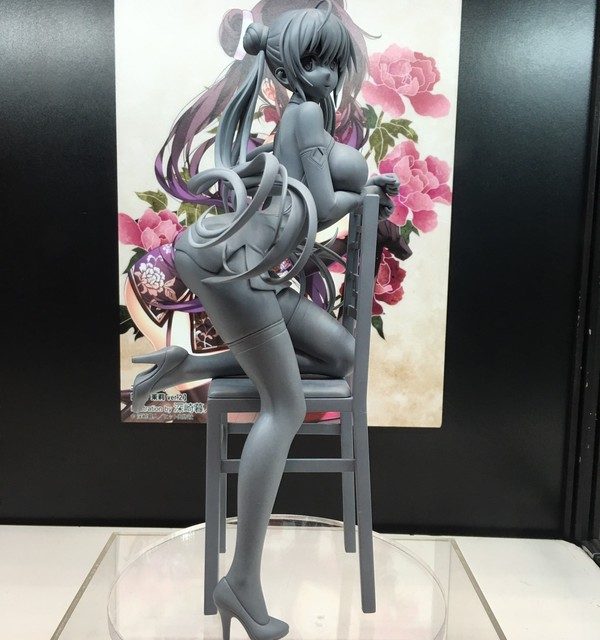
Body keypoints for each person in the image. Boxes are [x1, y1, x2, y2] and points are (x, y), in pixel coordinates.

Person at [132, 3, 398, 639]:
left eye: (334, 62)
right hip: (238, 270)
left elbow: (302, 195)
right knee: (287, 406)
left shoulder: (301, 116)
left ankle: (190, 363)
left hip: (253, 272)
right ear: (288, 65)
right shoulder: (306, 115)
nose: (327, 73)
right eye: (315, 61)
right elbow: (323, 204)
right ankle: (242, 582)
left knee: (340, 352)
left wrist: (364, 187)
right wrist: (364, 190)